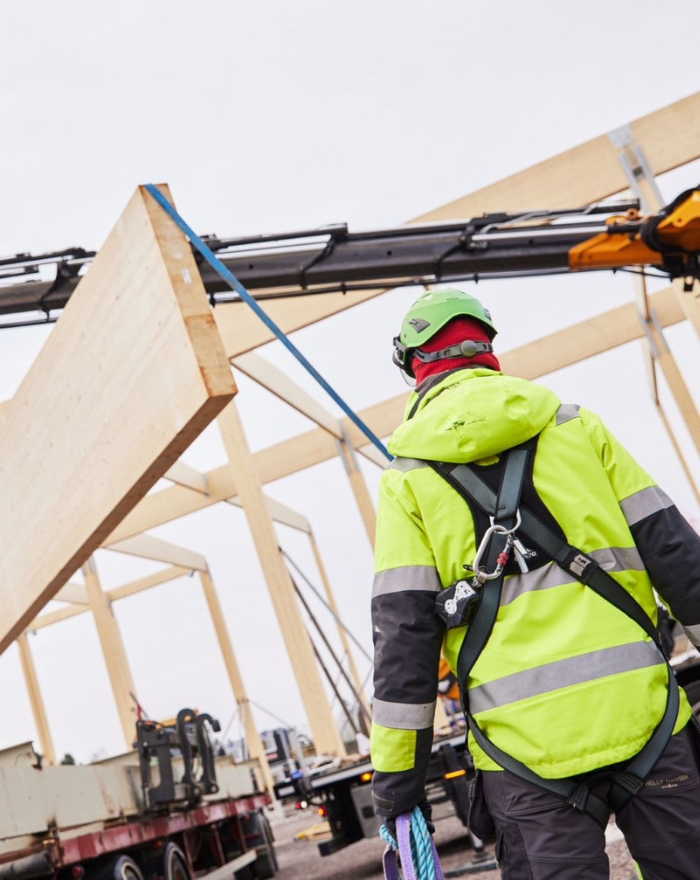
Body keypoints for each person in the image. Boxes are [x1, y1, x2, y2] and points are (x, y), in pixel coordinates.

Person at [370, 287, 700, 879]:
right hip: (645, 722)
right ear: (488, 351)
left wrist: (398, 787)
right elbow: (680, 561)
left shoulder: (407, 481)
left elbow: (404, 642)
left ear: (413, 366)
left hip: (520, 755)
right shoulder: (577, 428)